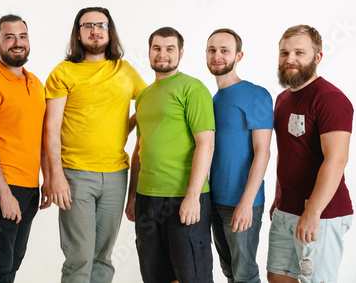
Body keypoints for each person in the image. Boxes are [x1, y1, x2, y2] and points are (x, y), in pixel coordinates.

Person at [45, 6, 146, 282]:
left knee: (103, 257)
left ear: (109, 31)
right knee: (79, 259)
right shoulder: (63, 72)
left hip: (116, 175)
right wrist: (56, 176)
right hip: (75, 174)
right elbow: (51, 128)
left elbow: (151, 104)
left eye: (101, 25)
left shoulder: (125, 70)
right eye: (87, 25)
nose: (95, 30)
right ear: (78, 34)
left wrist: (131, 122)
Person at [125, 26, 215, 283]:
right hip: (147, 199)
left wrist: (193, 197)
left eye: (169, 48)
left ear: (181, 53)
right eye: (157, 48)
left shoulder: (193, 89)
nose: (162, 54)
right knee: (155, 276)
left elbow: (205, 145)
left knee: (192, 276)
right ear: (150, 52)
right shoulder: (143, 95)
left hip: (183, 197)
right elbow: (139, 149)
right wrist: (132, 195)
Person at [267, 25, 353, 283]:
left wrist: (312, 213)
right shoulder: (282, 98)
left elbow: (337, 159)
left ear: (317, 57)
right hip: (286, 209)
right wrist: (277, 197)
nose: (289, 59)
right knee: (278, 277)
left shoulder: (330, 99)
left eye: (299, 53)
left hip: (320, 214)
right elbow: (285, 152)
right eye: (284, 53)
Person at [0, 14, 51, 283]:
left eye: (23, 36)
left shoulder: (35, 83)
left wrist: (47, 180)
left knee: (14, 262)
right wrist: (4, 192)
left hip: (29, 186)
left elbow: (41, 138)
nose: (18, 43)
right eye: (9, 37)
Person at [206, 28, 273, 283]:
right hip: (214, 201)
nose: (217, 55)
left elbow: (263, 153)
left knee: (245, 275)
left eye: (225, 50)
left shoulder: (256, 94)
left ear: (238, 55)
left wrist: (246, 203)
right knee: (229, 273)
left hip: (243, 202)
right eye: (212, 50)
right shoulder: (213, 98)